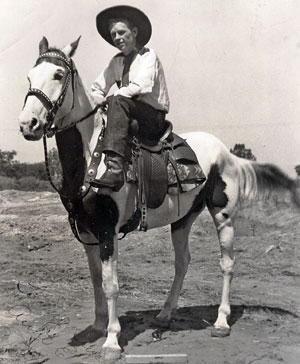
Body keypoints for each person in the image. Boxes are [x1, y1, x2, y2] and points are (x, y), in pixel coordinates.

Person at [90, 5, 170, 191]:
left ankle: (115, 169)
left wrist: (112, 99)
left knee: (117, 101)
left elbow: (142, 85)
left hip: (152, 117)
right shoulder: (116, 62)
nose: (117, 38)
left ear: (134, 32)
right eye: (113, 35)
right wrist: (99, 98)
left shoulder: (148, 56)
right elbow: (97, 87)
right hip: (129, 113)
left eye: (121, 32)